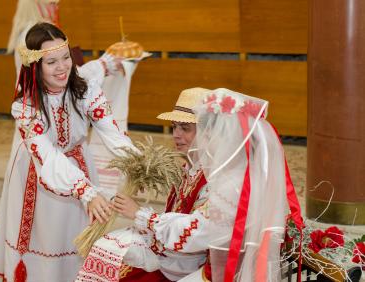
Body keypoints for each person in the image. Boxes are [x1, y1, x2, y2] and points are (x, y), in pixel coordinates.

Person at [0, 23, 134, 282]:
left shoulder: (84, 89)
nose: (62, 67)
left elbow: (110, 130)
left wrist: (137, 160)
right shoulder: (26, 107)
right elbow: (48, 157)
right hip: (39, 176)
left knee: (76, 238)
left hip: (79, 169)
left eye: (66, 57)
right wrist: (87, 191)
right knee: (47, 241)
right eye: (51, 61)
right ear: (35, 65)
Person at [77, 87, 212, 282]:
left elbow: (196, 235)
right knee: (106, 248)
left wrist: (142, 215)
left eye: (185, 128)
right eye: (175, 127)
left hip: (189, 266)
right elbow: (173, 214)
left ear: (208, 131)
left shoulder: (212, 179)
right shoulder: (187, 168)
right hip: (171, 255)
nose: (176, 134)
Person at [180, 88, 303, 281]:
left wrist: (147, 218)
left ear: (226, 137)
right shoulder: (252, 173)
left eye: (207, 135)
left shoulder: (231, 185)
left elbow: (199, 233)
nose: (203, 141)